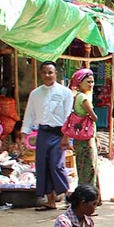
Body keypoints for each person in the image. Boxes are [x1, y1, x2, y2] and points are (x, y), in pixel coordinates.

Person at [19, 61, 74, 212]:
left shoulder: (65, 92)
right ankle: (50, 201)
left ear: (56, 74)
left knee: (57, 165)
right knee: (43, 166)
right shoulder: (35, 93)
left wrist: (66, 136)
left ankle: (68, 197)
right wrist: (24, 135)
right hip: (42, 133)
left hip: (59, 133)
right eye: (45, 72)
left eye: (51, 72)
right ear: (40, 74)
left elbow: (69, 115)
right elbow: (29, 115)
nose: (48, 75)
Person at [68, 69, 100, 194]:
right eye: (88, 82)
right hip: (86, 141)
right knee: (88, 171)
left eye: (92, 82)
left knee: (84, 170)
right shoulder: (83, 98)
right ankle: (87, 199)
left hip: (81, 139)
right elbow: (94, 117)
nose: (91, 84)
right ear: (80, 83)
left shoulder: (77, 96)